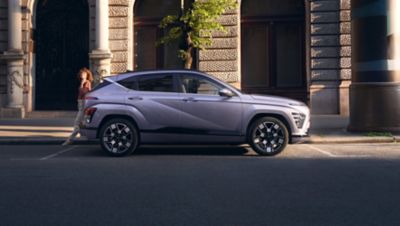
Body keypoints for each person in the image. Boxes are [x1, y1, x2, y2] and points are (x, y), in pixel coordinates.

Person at [62, 68, 93, 146]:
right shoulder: (83, 82)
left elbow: (84, 92)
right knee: (81, 123)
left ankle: (70, 140)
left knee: (77, 123)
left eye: (84, 74)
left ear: (87, 75)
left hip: (83, 104)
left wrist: (82, 84)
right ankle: (83, 134)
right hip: (80, 104)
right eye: (81, 74)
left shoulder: (87, 82)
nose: (82, 75)